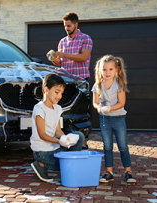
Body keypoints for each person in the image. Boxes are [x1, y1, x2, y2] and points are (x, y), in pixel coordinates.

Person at [47, 12, 93, 150]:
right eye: (65, 26)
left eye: (69, 25)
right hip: (64, 82)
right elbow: (60, 63)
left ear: (76, 24)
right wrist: (53, 58)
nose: (66, 28)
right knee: (62, 110)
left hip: (80, 81)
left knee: (80, 111)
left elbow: (84, 57)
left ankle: (83, 141)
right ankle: (63, 139)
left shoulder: (86, 38)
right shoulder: (63, 41)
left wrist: (63, 54)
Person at [30, 73, 84, 182]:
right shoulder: (39, 109)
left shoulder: (57, 108)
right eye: (56, 92)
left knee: (80, 136)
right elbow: (42, 134)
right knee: (70, 164)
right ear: (46, 90)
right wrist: (59, 141)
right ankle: (40, 164)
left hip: (54, 147)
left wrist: (65, 139)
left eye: (61, 93)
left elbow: (58, 130)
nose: (59, 96)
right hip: (42, 152)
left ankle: (66, 165)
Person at [92, 55, 136, 183]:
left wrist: (109, 108)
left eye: (110, 69)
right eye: (104, 70)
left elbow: (121, 103)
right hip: (104, 119)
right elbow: (95, 102)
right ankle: (109, 173)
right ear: (100, 70)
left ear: (116, 70)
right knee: (107, 146)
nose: (107, 72)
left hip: (118, 119)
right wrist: (99, 108)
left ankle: (128, 172)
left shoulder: (119, 84)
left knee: (122, 146)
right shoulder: (97, 85)